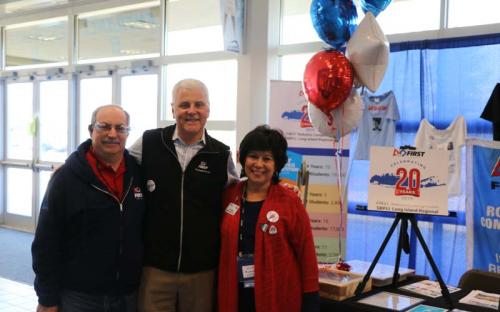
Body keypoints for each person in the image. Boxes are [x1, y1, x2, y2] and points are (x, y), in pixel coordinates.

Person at [128, 78, 238, 312]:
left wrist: (279, 188)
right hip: (156, 269)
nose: (192, 111)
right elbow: (116, 162)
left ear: (208, 109)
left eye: (199, 104)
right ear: (173, 109)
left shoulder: (220, 154)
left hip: (201, 272)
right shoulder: (150, 142)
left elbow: (241, 193)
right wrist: (73, 165)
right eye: (184, 104)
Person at [32, 105, 146, 312]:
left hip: (128, 295)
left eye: (120, 128)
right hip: (80, 296)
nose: (113, 134)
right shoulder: (66, 178)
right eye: (104, 126)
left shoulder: (138, 173)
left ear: (128, 133)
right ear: (91, 130)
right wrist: (47, 298)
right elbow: (45, 243)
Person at [218, 125, 320, 312]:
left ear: (277, 165)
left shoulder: (290, 201)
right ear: (243, 158)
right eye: (253, 156)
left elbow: (306, 254)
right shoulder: (228, 195)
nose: (258, 164)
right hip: (234, 292)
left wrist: (311, 297)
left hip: (278, 295)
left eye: (267, 159)